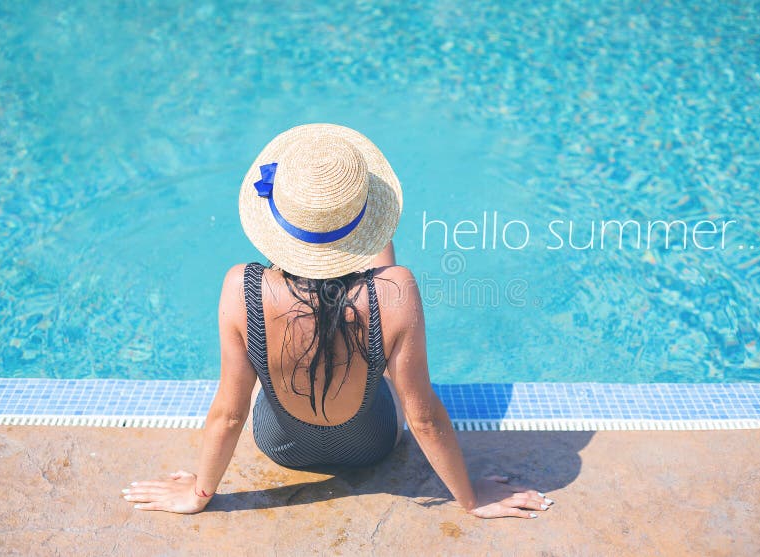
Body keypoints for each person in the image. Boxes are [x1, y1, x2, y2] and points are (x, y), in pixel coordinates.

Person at [121, 124, 554, 519]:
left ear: (276, 217)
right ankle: (359, 257)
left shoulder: (241, 287)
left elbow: (230, 414)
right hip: (372, 444)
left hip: (280, 445)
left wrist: (200, 492)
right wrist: (471, 499)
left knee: (281, 349)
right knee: (380, 313)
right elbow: (423, 418)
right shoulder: (398, 289)